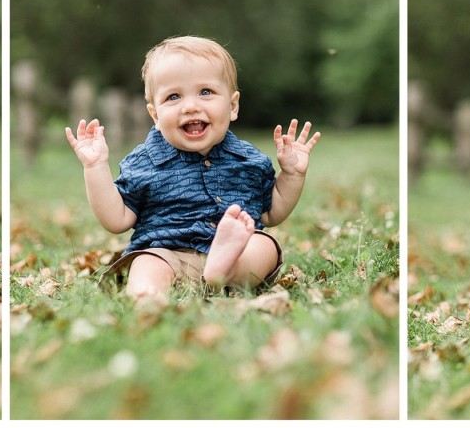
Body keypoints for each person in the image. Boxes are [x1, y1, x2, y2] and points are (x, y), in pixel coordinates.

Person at [65, 35, 321, 301]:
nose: (190, 106)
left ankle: (225, 269)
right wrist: (95, 167)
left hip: (238, 253)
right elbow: (116, 220)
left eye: (206, 92)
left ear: (232, 106)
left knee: (263, 245)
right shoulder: (144, 163)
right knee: (147, 263)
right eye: (173, 97)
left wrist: (292, 174)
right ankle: (148, 298)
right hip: (167, 253)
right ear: (155, 115)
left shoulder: (249, 160)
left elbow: (271, 213)